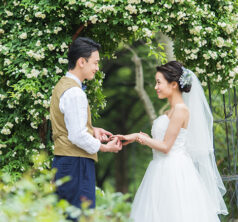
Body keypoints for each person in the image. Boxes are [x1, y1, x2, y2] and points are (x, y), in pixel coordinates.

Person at [116, 61, 228, 222]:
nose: (156, 87)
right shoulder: (170, 111)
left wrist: (139, 137)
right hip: (160, 168)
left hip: (173, 171)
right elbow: (162, 142)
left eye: (159, 82)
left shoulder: (181, 110)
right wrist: (141, 138)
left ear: (174, 84)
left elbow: (166, 147)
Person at [50, 37, 122, 219]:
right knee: (80, 216)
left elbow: (69, 126)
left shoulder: (62, 85)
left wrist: (93, 130)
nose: (97, 68)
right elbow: (77, 135)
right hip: (77, 164)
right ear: (81, 61)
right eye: (95, 62)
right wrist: (105, 147)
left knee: (65, 216)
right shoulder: (75, 93)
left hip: (64, 162)